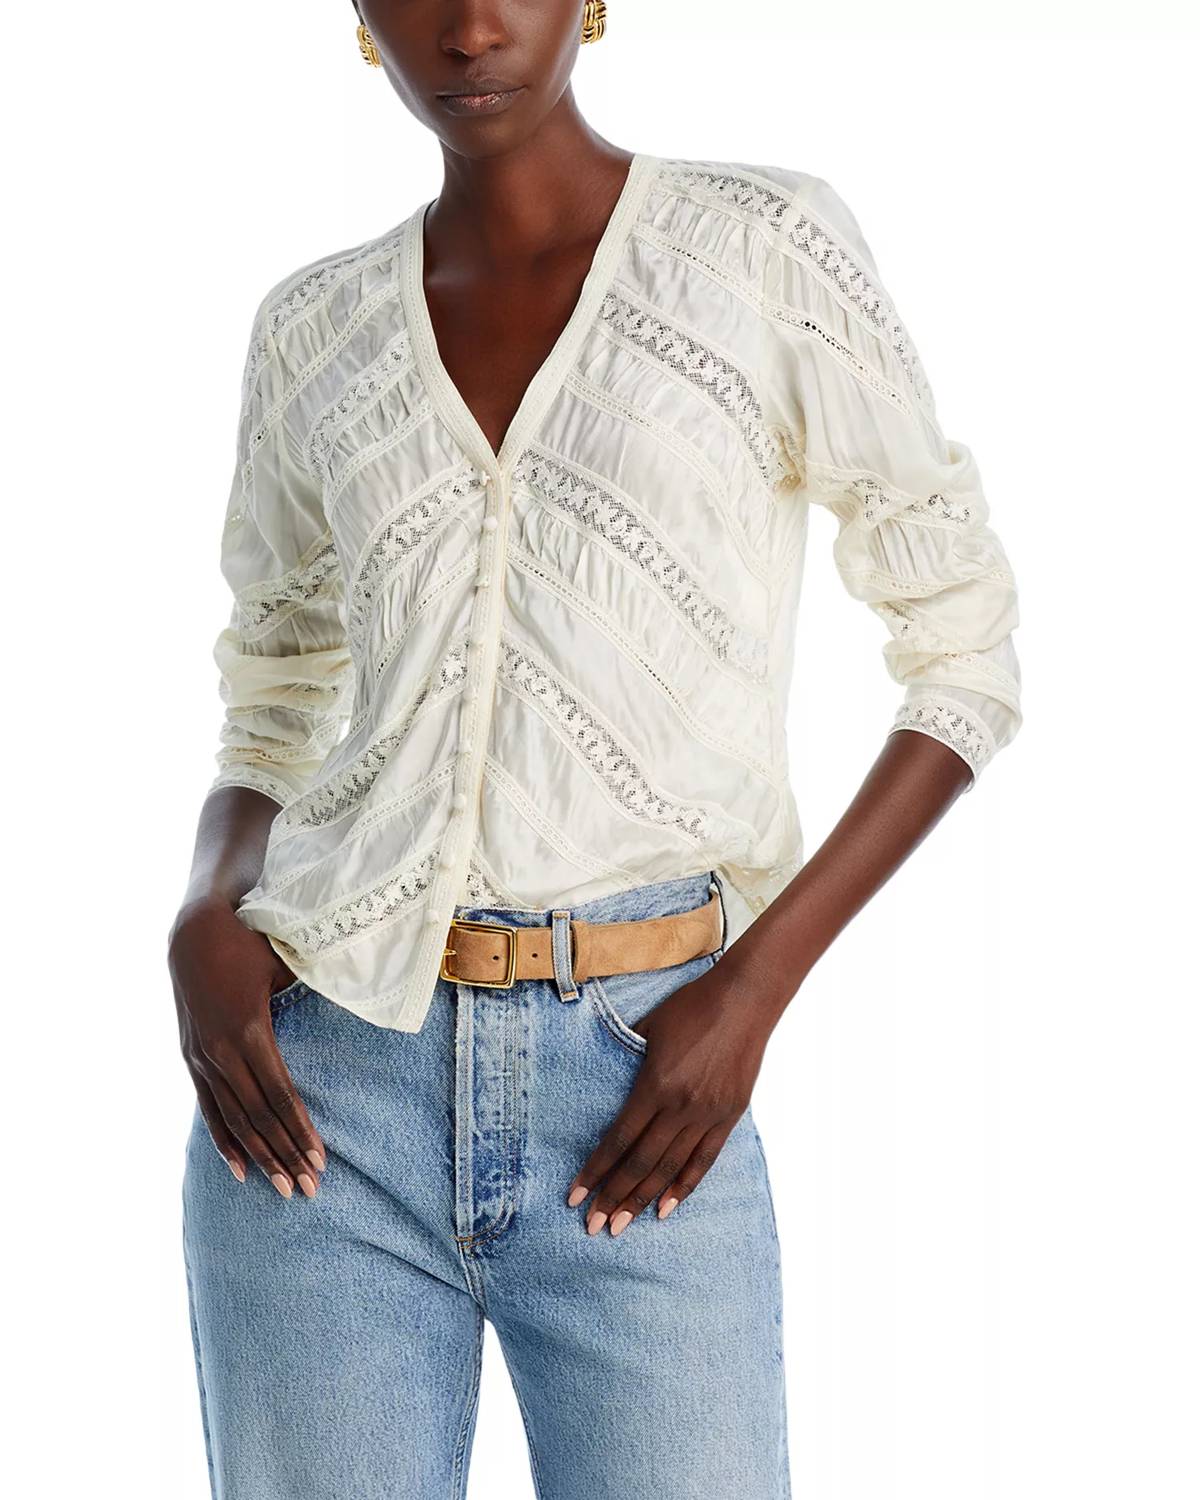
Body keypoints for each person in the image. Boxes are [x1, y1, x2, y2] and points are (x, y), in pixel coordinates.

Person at [168, 2, 1022, 1495]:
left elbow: (964, 654)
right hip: (320, 1094)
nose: (471, 25)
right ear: (358, 20)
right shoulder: (313, 328)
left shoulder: (761, 251)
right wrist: (204, 903)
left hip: (646, 1082)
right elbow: (278, 681)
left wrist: (751, 993)